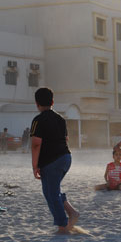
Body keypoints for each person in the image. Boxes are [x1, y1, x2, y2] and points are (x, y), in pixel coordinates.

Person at [30, 87, 79, 234]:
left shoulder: (38, 120)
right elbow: (65, 139)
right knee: (54, 189)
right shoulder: (60, 119)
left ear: (37, 104)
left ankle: (63, 226)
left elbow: (36, 144)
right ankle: (72, 213)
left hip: (51, 161)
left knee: (50, 193)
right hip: (66, 158)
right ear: (52, 102)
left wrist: (35, 166)